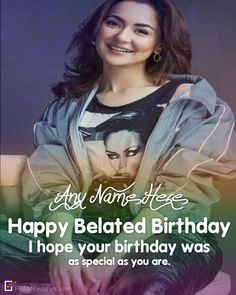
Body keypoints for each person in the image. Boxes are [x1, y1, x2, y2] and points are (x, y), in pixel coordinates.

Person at [1, 0, 236, 295]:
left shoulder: (198, 106)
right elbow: (52, 181)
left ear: (159, 45)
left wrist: (111, 257)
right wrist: (61, 249)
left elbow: (181, 190)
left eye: (141, 30)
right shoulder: (64, 110)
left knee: (144, 287)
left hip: (167, 239)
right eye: (114, 23)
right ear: (97, 31)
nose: (122, 36)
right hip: (83, 235)